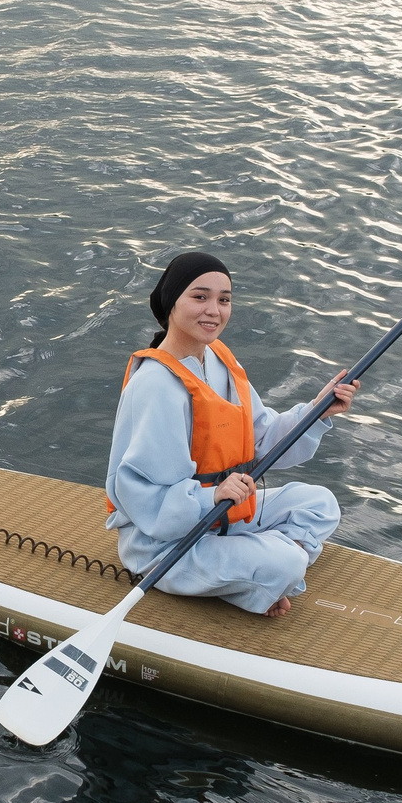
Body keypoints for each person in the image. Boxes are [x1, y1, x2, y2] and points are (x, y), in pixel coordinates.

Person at [104, 253, 358, 619]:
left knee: (319, 503)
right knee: (286, 561)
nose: (214, 310)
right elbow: (144, 497)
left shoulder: (220, 359)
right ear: (171, 303)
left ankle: (258, 574)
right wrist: (211, 497)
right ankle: (268, 571)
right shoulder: (156, 385)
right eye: (200, 297)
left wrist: (317, 412)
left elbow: (262, 439)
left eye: (224, 300)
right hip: (166, 544)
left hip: (225, 517)